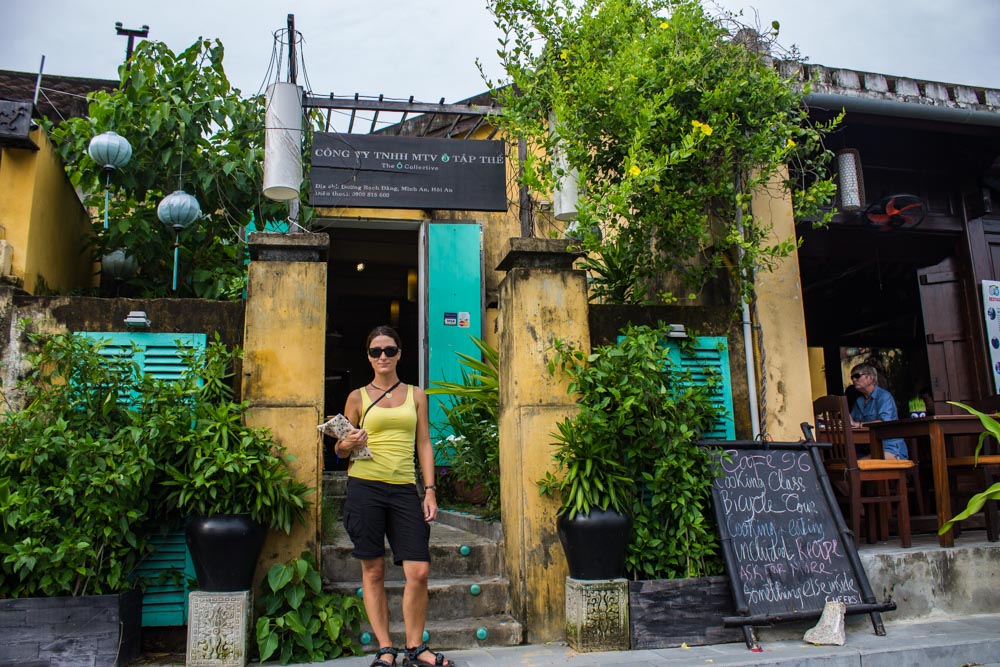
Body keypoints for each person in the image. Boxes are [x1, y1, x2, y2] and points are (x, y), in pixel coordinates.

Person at [334, 325, 454, 667]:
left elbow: (424, 444)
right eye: (376, 351)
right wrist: (348, 443)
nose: (383, 357)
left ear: (400, 353)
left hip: (404, 489)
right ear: (368, 357)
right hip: (364, 487)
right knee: (372, 570)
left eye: (389, 350)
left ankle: (416, 647)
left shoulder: (416, 395)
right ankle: (386, 648)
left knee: (418, 570)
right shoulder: (357, 397)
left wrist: (429, 490)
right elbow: (339, 450)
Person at [848, 363, 908, 459]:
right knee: (846, 463)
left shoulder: (884, 397)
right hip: (867, 449)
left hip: (890, 449)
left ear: (871, 378)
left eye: (857, 376)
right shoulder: (859, 401)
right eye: (852, 377)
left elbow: (885, 423)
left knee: (856, 465)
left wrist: (858, 424)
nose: (854, 380)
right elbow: (851, 423)